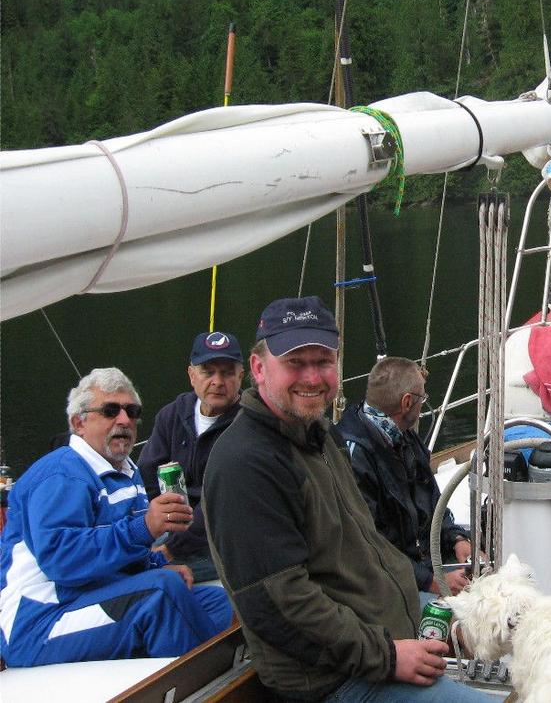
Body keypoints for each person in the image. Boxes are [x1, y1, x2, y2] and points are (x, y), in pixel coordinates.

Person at [203, 296, 489, 703]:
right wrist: (388, 657)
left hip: (385, 629)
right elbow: (281, 605)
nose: (312, 377)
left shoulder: (317, 437)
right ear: (258, 368)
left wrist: (424, 605)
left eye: (323, 361)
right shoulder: (247, 463)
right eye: (295, 362)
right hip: (337, 676)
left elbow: (364, 545)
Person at [0, 368, 232, 667]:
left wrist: (158, 563)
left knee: (216, 601)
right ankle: (201, 682)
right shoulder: (62, 474)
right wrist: (144, 528)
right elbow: (61, 560)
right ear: (78, 422)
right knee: (161, 592)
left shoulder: (126, 471)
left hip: (87, 598)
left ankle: (218, 680)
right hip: (39, 621)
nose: (124, 420)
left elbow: (122, 555)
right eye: (110, 411)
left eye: (132, 411)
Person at [332, 357, 475, 605]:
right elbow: (368, 546)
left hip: (419, 563)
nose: (423, 405)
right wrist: (433, 581)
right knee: (467, 622)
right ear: (407, 402)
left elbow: (432, 500)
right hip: (383, 582)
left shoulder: (405, 438)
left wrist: (456, 539)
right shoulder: (355, 457)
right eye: (422, 399)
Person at [139, 331, 245, 582]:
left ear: (241, 376)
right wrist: (157, 523)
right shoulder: (173, 415)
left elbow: (222, 505)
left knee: (153, 576)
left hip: (227, 539)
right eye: (208, 372)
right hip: (173, 527)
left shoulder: (249, 427)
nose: (218, 381)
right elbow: (147, 472)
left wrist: (170, 549)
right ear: (192, 376)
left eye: (227, 372)